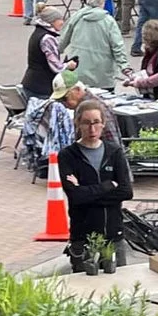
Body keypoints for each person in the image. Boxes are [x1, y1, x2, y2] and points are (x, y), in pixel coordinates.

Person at [56, 97, 132, 271]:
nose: (92, 128)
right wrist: (107, 186)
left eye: (96, 122)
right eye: (86, 123)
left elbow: (126, 191)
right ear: (78, 124)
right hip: (84, 237)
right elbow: (75, 196)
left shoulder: (114, 151)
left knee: (119, 286)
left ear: (103, 124)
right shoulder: (68, 156)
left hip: (113, 234)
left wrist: (86, 193)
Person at [61, 0, 123, 91]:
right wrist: (125, 66)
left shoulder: (76, 17)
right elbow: (118, 46)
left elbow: (63, 39)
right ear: (102, 2)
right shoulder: (109, 21)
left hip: (78, 70)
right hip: (103, 75)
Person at [19, 1, 67, 105]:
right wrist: (69, 65)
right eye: (59, 19)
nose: (62, 22)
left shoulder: (37, 33)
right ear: (51, 21)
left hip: (30, 83)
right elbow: (56, 68)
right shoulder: (47, 38)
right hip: (42, 88)